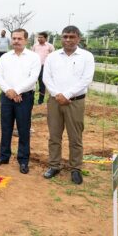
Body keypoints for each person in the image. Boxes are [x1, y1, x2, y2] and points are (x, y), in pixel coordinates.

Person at [42, 26, 95, 185]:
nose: (68, 40)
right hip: (54, 101)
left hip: (75, 101)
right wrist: (57, 94)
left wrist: (67, 95)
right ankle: (54, 165)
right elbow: (46, 78)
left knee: (75, 137)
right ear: (61, 38)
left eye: (72, 37)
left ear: (79, 38)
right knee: (54, 136)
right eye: (65, 37)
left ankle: (76, 169)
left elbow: (86, 79)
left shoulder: (86, 56)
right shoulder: (52, 56)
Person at [0, 29, 41, 174]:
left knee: (23, 129)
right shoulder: (5, 57)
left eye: (19, 38)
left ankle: (23, 160)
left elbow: (33, 77)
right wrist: (9, 92)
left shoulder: (33, 57)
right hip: (6, 97)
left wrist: (17, 91)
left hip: (25, 98)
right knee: (6, 127)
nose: (16, 41)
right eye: (14, 38)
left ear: (26, 40)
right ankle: (3, 156)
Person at [32, 32, 55, 104]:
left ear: (46, 38)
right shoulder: (35, 45)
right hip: (35, 67)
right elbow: (32, 55)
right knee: (32, 83)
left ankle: (40, 101)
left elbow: (53, 57)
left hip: (44, 67)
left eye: (41, 37)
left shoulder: (50, 46)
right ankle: (31, 100)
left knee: (42, 84)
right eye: (38, 37)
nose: (39, 39)